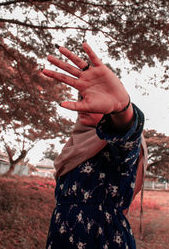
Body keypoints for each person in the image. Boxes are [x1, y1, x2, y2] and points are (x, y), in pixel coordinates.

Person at [42, 42, 145, 249]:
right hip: (61, 237)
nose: (85, 101)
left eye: (93, 96)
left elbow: (127, 132)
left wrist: (122, 108)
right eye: (80, 96)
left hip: (101, 239)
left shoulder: (118, 141)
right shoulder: (74, 143)